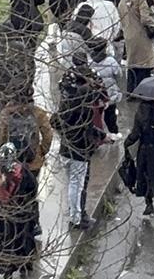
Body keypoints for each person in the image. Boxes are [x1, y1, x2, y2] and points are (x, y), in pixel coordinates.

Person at [52, 50, 105, 230]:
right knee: (77, 183)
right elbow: (88, 127)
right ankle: (76, 217)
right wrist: (99, 136)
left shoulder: (66, 106)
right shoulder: (84, 111)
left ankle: (76, 213)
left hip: (66, 148)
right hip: (79, 151)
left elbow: (55, 121)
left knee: (72, 184)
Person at [0, 144, 39, 278]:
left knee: (4, 244)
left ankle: (8, 268)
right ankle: (20, 266)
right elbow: (32, 190)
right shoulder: (22, 172)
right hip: (17, 216)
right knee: (20, 242)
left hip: (0, 216)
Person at [0, 99, 53, 179]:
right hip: (34, 161)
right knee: (32, 187)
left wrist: (6, 154)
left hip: (14, 161)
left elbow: (1, 139)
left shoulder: (6, 113)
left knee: (15, 188)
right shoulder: (37, 112)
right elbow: (48, 135)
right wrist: (42, 151)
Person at [119, 0, 154, 95]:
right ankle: (142, 92)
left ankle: (130, 91)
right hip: (141, 36)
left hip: (129, 35)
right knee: (144, 65)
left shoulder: (122, 0)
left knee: (132, 65)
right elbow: (145, 19)